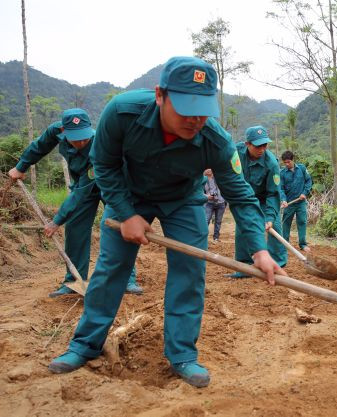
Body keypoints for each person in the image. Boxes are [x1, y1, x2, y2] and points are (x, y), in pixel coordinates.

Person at [47, 57, 285, 388]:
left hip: (183, 200)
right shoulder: (122, 113)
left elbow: (242, 196)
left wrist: (259, 249)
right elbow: (103, 164)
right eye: (186, 108)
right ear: (160, 95)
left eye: (203, 109)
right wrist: (126, 213)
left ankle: (182, 355)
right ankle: (84, 346)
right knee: (110, 269)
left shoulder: (215, 140)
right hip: (128, 195)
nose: (195, 119)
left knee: (189, 273)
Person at [7, 108, 141, 297]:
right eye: (75, 138)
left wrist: (57, 220)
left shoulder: (98, 144)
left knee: (117, 227)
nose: (80, 142)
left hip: (112, 184)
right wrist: (21, 166)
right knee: (75, 228)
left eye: (84, 138)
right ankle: (73, 281)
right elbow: (40, 146)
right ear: (63, 130)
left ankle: (127, 280)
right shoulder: (56, 131)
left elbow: (81, 192)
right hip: (82, 183)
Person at [227, 126, 287, 278]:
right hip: (245, 198)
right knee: (242, 228)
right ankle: (244, 267)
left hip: (265, 198)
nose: (262, 149)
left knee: (275, 228)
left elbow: (273, 194)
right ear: (247, 144)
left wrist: (269, 217)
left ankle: (277, 264)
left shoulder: (272, 163)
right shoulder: (236, 152)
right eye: (258, 145)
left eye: (265, 145)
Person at [280, 150, 312, 252]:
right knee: (286, 223)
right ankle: (285, 244)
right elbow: (280, 188)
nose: (287, 164)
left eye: (288, 162)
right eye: (285, 162)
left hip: (301, 202)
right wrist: (283, 200)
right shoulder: (282, 173)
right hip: (289, 203)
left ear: (293, 160)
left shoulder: (302, 169)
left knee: (302, 222)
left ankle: (303, 244)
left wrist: (305, 192)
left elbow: (308, 181)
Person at [203, 168, 227, 242]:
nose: (209, 170)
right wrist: (206, 196)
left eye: (210, 168)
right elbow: (199, 191)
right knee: (206, 220)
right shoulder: (202, 180)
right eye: (207, 168)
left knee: (218, 221)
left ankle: (216, 238)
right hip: (209, 203)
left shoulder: (219, 178)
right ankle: (203, 238)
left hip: (221, 202)